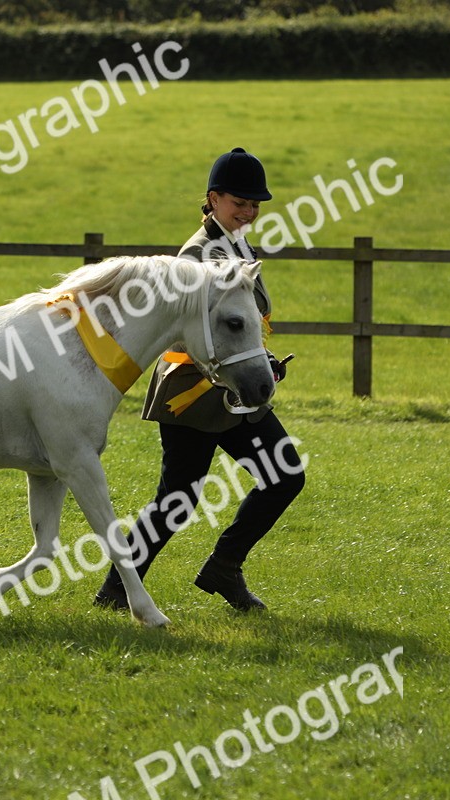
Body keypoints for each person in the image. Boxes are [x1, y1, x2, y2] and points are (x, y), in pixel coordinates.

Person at [94, 147, 305, 613]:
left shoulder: (236, 244)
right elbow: (197, 331)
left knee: (216, 490)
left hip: (225, 387)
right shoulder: (201, 255)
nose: (249, 211)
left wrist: (261, 359)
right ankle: (203, 571)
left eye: (255, 204)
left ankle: (143, 583)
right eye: (240, 203)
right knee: (249, 482)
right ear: (213, 199)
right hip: (196, 391)